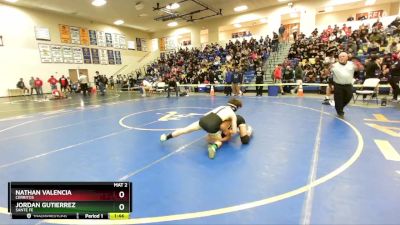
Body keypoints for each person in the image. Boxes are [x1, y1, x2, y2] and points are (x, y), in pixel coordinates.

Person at [160, 98, 243, 149]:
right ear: (235, 108)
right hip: (212, 126)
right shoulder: (233, 115)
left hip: (203, 120)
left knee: (185, 129)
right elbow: (235, 131)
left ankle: (166, 137)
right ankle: (213, 148)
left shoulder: (221, 107)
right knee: (219, 140)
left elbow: (207, 114)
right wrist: (229, 132)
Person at [331, 52, 363, 118]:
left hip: (348, 84)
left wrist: (359, 65)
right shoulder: (334, 65)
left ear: (347, 58)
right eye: (340, 57)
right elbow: (327, 72)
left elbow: (360, 69)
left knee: (349, 97)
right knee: (338, 99)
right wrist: (328, 68)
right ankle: (340, 112)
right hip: (338, 84)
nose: (341, 58)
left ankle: (339, 107)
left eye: (343, 56)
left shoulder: (351, 64)